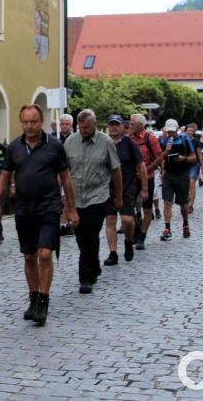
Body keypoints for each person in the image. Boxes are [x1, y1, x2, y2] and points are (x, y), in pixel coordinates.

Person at [0, 104, 78, 326]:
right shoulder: (14, 148)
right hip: (24, 209)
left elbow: (66, 178)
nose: (29, 126)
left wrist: (72, 209)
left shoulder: (54, 146)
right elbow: (4, 174)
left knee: (45, 254)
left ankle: (44, 300)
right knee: (29, 256)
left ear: (41, 122)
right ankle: (33, 297)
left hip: (49, 208)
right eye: (25, 122)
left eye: (33, 122)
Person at [64, 110, 122, 294]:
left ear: (94, 125)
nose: (83, 130)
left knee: (91, 232)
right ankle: (94, 265)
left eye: (86, 127)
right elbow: (63, 171)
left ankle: (85, 277)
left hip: (98, 195)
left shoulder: (106, 142)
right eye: (80, 127)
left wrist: (118, 196)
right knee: (82, 235)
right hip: (76, 197)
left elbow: (116, 171)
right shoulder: (70, 142)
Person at [103, 115, 147, 267]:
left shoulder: (130, 143)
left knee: (127, 220)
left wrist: (145, 187)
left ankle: (128, 240)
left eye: (117, 124)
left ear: (122, 127)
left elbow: (141, 166)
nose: (114, 127)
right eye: (111, 124)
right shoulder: (104, 143)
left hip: (128, 186)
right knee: (110, 220)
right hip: (107, 187)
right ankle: (113, 253)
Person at [128, 114, 163, 250]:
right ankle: (137, 228)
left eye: (132, 124)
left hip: (148, 177)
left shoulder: (150, 138)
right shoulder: (129, 139)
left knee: (147, 208)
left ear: (140, 125)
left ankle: (142, 236)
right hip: (132, 178)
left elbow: (159, 157)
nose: (130, 126)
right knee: (128, 206)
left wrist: (147, 169)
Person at [159, 119, 197, 241]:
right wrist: (166, 153)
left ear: (177, 130)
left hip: (182, 174)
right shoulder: (164, 141)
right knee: (167, 202)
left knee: (184, 203)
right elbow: (160, 157)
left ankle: (185, 224)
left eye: (172, 131)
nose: (171, 134)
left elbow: (193, 157)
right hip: (169, 174)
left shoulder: (185, 140)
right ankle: (167, 228)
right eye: (168, 131)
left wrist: (184, 158)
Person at [57, 113, 74, 235]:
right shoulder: (55, 138)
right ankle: (61, 223)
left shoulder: (74, 139)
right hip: (56, 173)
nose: (64, 126)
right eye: (62, 124)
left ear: (71, 126)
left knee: (66, 198)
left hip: (70, 172)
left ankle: (66, 222)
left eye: (67, 124)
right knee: (59, 198)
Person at [185, 123, 203, 214]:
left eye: (191, 131)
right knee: (185, 185)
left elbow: (199, 154)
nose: (190, 132)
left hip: (194, 165)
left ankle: (190, 205)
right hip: (184, 165)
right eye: (188, 130)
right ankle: (186, 200)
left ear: (194, 132)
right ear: (186, 131)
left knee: (192, 183)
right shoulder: (182, 140)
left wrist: (202, 166)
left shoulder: (196, 141)